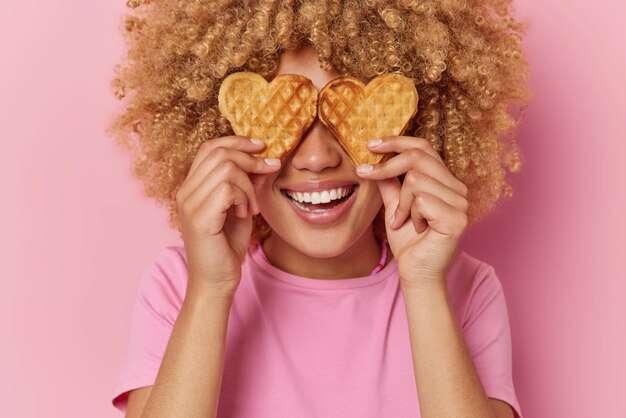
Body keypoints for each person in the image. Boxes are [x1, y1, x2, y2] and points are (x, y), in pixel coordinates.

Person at [107, 1, 531, 417]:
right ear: (222, 133)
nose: (317, 158)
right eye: (282, 120)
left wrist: (423, 285)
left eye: (346, 117)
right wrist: (210, 289)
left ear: (413, 127)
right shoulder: (180, 285)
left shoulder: (465, 289)